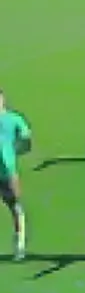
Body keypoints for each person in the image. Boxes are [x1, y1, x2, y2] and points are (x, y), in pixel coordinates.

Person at [0, 90, 33, 260]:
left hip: (7, 172)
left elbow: (27, 140)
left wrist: (13, 153)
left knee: (15, 206)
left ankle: (20, 245)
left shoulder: (13, 119)